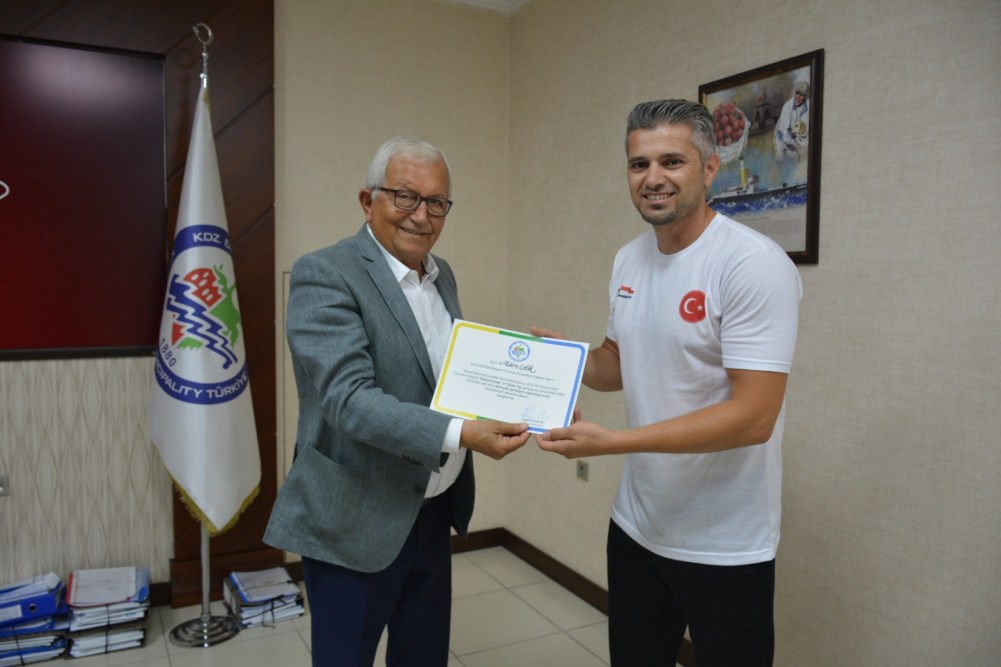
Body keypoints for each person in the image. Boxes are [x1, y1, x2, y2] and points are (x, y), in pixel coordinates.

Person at [532, 100, 801, 666]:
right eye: (639, 164)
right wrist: (564, 361)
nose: (652, 178)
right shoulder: (629, 259)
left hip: (725, 543)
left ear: (710, 168)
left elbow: (754, 418)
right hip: (637, 526)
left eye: (671, 161)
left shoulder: (751, 264)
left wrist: (615, 443)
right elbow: (617, 362)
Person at [265, 136, 530, 667]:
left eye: (437, 202)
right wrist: (462, 433)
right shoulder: (325, 273)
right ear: (368, 201)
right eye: (405, 196)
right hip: (356, 516)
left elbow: (448, 378)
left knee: (423, 656)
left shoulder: (441, 274)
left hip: (433, 508)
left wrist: (524, 398)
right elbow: (349, 400)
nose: (421, 215)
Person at [773, 81, 811, 185]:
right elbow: (783, 132)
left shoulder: (810, 106)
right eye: (797, 93)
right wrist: (794, 143)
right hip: (783, 135)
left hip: (800, 136)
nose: (798, 97)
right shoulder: (787, 106)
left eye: (802, 95)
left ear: (806, 96)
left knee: (804, 156)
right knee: (780, 155)